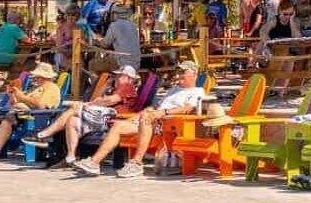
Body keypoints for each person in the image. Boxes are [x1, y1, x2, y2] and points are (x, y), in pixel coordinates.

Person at [59, 59, 208, 177]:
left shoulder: (197, 91)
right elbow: (155, 108)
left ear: (194, 74)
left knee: (146, 118)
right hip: (153, 119)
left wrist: (163, 113)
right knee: (118, 125)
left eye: (184, 72)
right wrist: (146, 112)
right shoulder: (174, 90)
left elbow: (187, 109)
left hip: (170, 125)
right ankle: (94, 163)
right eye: (179, 71)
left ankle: (136, 163)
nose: (180, 74)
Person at [23, 66, 139, 170]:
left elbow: (110, 101)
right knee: (72, 120)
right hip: (102, 116)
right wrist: (105, 88)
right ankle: (71, 157)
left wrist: (93, 103)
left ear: (130, 79)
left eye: (120, 76)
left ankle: (43, 135)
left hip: (112, 117)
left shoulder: (127, 86)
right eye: (116, 75)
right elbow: (97, 99)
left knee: (73, 110)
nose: (116, 78)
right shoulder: (113, 89)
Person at [0, 59, 62, 163]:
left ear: (44, 77)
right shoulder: (36, 88)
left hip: (29, 116)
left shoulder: (52, 89)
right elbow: (18, 102)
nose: (35, 78)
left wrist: (22, 97)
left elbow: (42, 105)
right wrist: (13, 96)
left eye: (37, 76)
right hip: (15, 111)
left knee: (9, 117)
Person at [95, 3, 141, 73]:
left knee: (92, 65)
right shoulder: (133, 25)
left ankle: (99, 83)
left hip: (121, 64)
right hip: (136, 64)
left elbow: (105, 44)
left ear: (115, 15)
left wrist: (97, 41)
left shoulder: (114, 25)